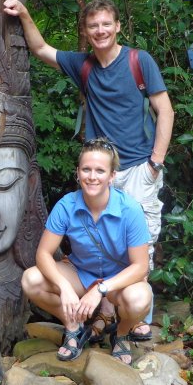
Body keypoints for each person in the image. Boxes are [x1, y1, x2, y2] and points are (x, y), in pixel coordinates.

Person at [2, 0, 174, 339]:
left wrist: (156, 161)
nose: (100, 31)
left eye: (106, 24)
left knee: (142, 247)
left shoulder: (140, 61)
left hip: (139, 168)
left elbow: (164, 111)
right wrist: (24, 12)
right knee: (97, 239)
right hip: (98, 170)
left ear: (118, 26)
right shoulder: (83, 65)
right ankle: (101, 311)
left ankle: (134, 316)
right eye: (93, 26)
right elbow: (41, 49)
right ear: (86, 30)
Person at [21, 138, 152, 364]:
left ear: (112, 176)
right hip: (81, 274)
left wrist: (101, 289)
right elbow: (43, 254)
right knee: (30, 279)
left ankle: (120, 334)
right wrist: (64, 288)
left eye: (100, 171)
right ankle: (73, 325)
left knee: (139, 298)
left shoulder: (130, 209)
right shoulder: (67, 205)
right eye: (86, 169)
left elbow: (140, 266)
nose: (92, 177)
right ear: (78, 172)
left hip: (118, 281)